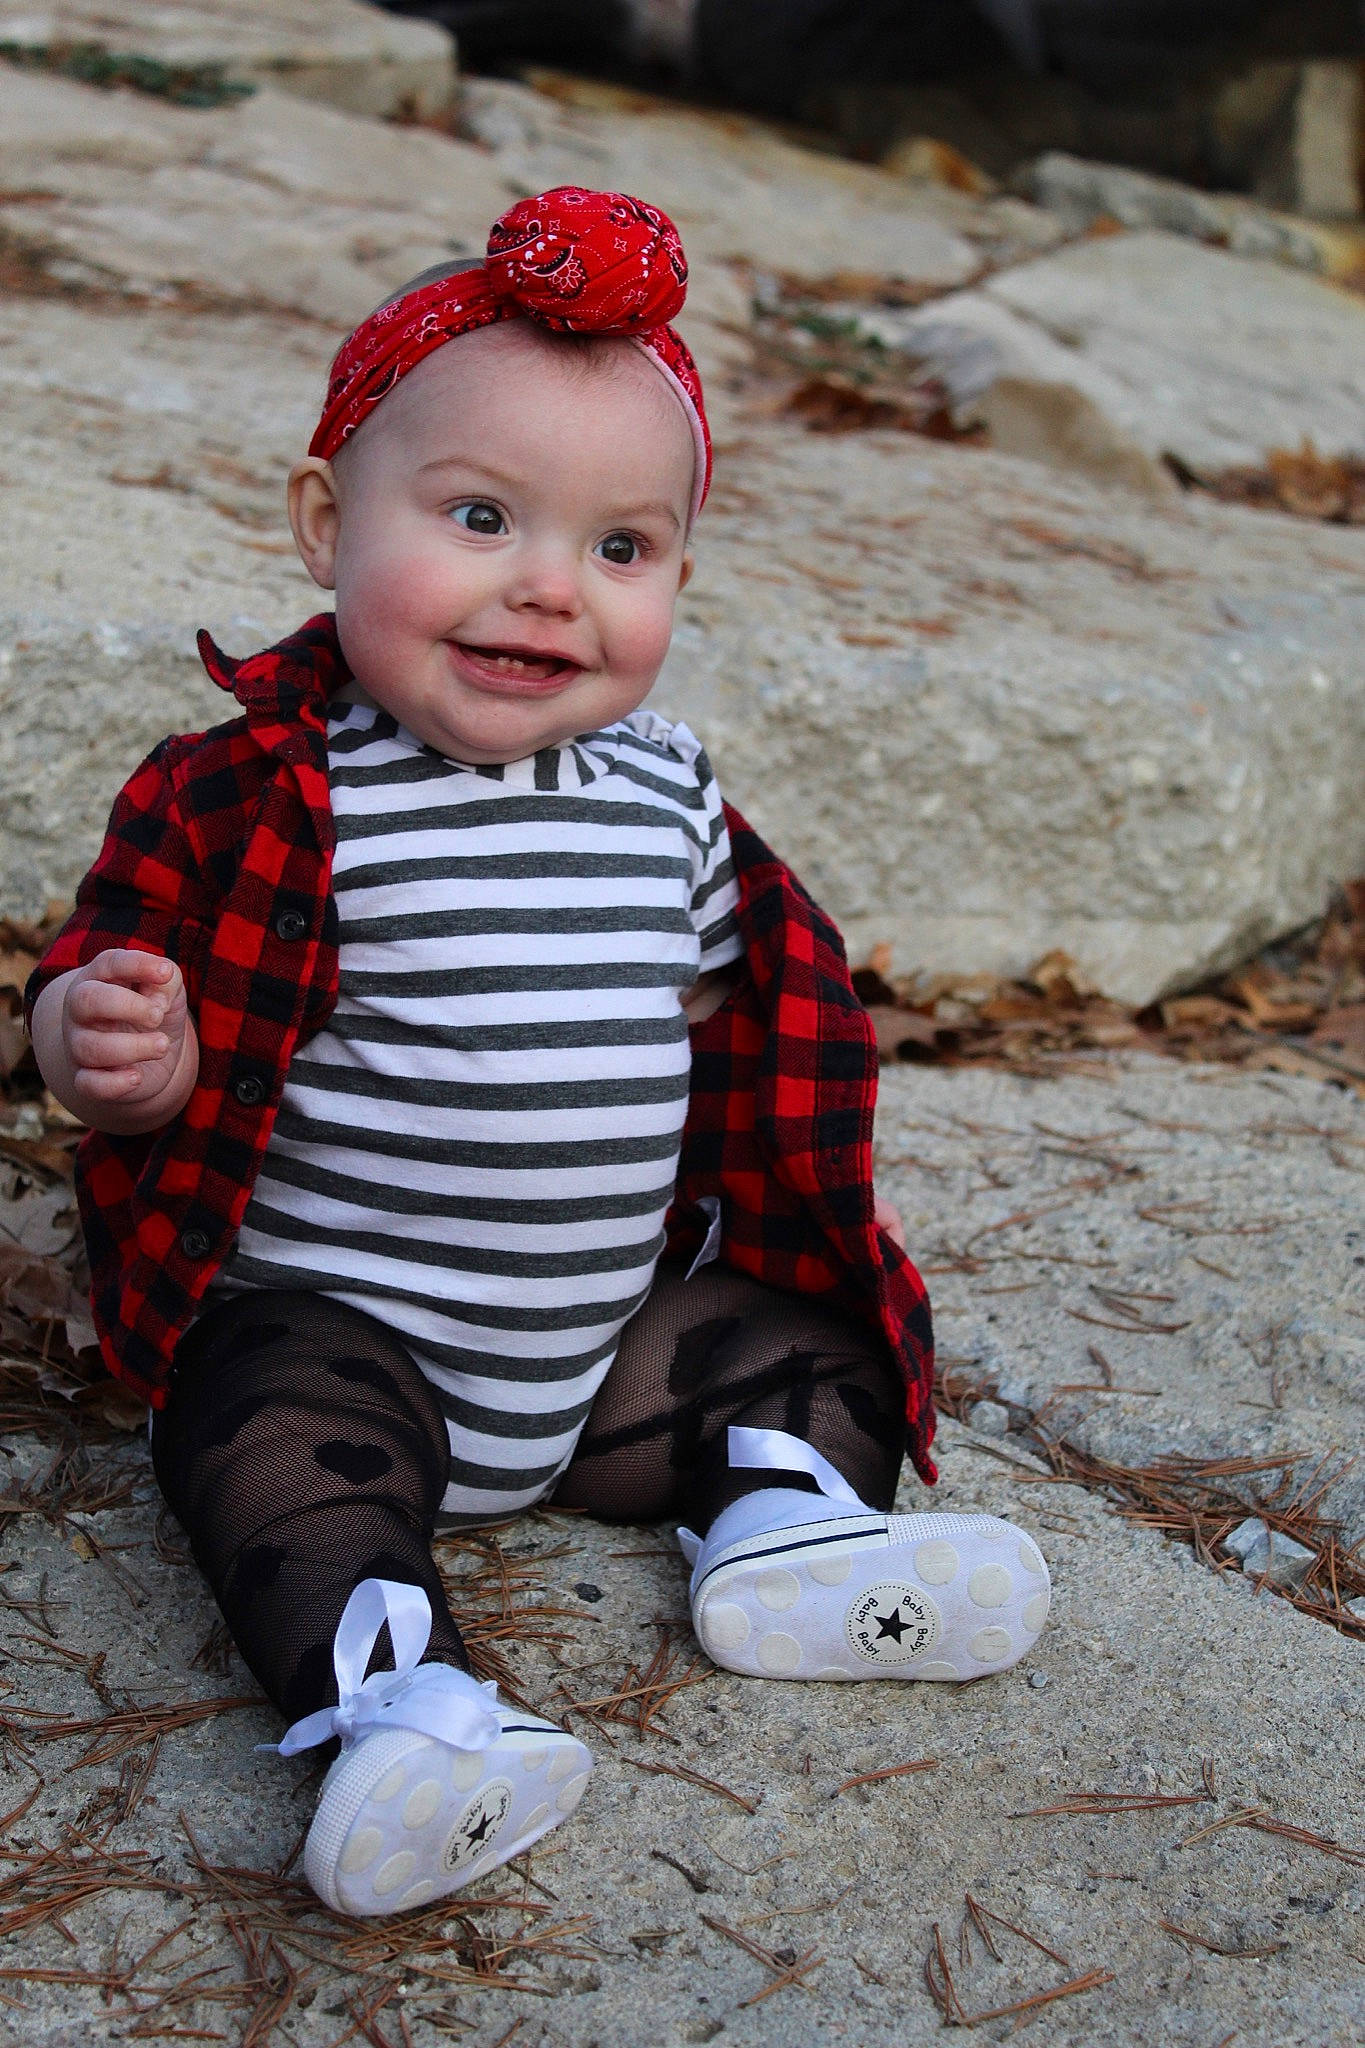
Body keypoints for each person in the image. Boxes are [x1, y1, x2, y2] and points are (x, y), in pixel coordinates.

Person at [26, 186, 1049, 1920]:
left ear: (676, 577)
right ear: (322, 521)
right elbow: (98, 985)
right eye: (481, 516)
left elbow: (737, 1007)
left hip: (592, 1369)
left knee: (805, 1342)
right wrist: (105, 1043)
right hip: (358, 1345)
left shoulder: (665, 792)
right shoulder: (269, 790)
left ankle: (783, 1530)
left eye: (620, 549)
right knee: (258, 1438)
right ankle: (399, 1712)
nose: (547, 590)